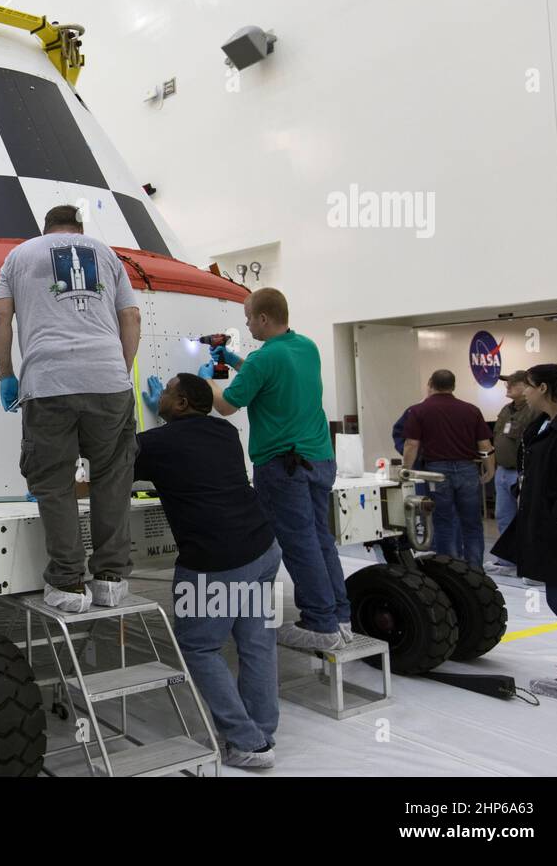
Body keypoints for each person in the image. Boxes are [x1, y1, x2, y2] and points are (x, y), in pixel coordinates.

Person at [0, 205, 141, 613]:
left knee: (54, 482)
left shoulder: (20, 255)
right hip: (109, 381)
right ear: (79, 228)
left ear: (45, 228)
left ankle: (69, 583)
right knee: (112, 477)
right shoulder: (107, 254)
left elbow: (0, 315)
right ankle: (111, 579)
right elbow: (131, 316)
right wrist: (120, 372)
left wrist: (7, 373)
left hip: (48, 382)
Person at [137, 373, 282, 770]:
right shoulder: (225, 432)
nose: (159, 396)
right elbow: (189, 455)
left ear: (181, 403)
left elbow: (112, 466)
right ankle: (262, 731)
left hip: (217, 560)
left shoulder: (155, 444)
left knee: (200, 646)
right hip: (263, 549)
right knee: (257, 643)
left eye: (165, 392)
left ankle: (246, 741)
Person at [202, 287, 349, 651]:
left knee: (299, 546)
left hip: (283, 468)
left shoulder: (263, 360)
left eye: (249, 317)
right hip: (319, 460)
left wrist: (206, 379)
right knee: (320, 539)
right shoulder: (306, 347)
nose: (247, 323)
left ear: (264, 318)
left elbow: (227, 407)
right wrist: (236, 361)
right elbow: (269, 377)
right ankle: (340, 616)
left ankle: (319, 623)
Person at [491, 363, 557, 702]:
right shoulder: (545, 424)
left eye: (528, 385)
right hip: (551, 531)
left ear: (543, 388)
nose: (524, 391)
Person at [402, 370, 494, 569]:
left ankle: (452, 571)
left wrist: (405, 471)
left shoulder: (419, 411)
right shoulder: (471, 410)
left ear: (430, 384)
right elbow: (485, 445)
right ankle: (476, 571)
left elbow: (411, 444)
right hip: (468, 469)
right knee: (472, 523)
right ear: (453, 386)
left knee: (443, 522)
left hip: (437, 472)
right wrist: (489, 469)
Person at [487, 371, 535, 574]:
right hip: (503, 471)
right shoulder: (506, 410)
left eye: (514, 383)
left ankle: (530, 562)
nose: (508, 386)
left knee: (526, 519)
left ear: (527, 387)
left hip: (521, 472)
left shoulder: (533, 411)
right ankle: (508, 561)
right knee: (503, 516)